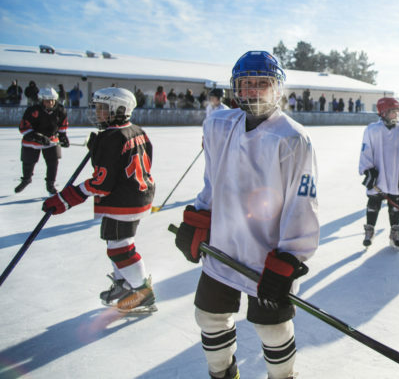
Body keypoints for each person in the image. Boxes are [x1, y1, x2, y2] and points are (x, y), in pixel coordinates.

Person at [174, 51, 319, 379]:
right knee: (209, 315)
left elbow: (302, 204)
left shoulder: (294, 138)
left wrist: (289, 259)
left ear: (277, 88)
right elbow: (213, 181)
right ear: (235, 88)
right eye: (246, 84)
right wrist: (199, 217)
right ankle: (223, 374)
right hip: (223, 246)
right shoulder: (218, 125)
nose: (253, 90)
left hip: (266, 255)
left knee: (273, 329)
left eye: (262, 83)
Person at [41, 87, 156, 313]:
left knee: (120, 247)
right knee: (114, 242)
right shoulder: (136, 130)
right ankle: (125, 284)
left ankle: (142, 292)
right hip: (137, 195)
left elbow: (102, 183)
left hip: (123, 201)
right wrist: (98, 150)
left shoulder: (111, 138)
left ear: (119, 109)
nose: (98, 112)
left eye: (103, 108)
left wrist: (66, 199)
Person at [358, 97, 399, 249]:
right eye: (393, 112)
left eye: (398, 112)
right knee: (373, 203)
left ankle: (394, 233)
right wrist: (368, 171)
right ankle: (369, 230)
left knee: (396, 204)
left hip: (396, 175)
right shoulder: (372, 130)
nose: (397, 115)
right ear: (383, 112)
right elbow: (366, 151)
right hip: (378, 176)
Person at [15, 87, 69, 194]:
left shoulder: (60, 110)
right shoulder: (32, 110)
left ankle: (50, 184)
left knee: (53, 161)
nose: (50, 103)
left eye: (52, 100)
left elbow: (62, 125)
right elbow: (23, 127)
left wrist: (63, 137)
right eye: (47, 101)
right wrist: (37, 137)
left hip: (51, 140)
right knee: (28, 162)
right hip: (32, 140)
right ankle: (26, 179)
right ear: (41, 101)